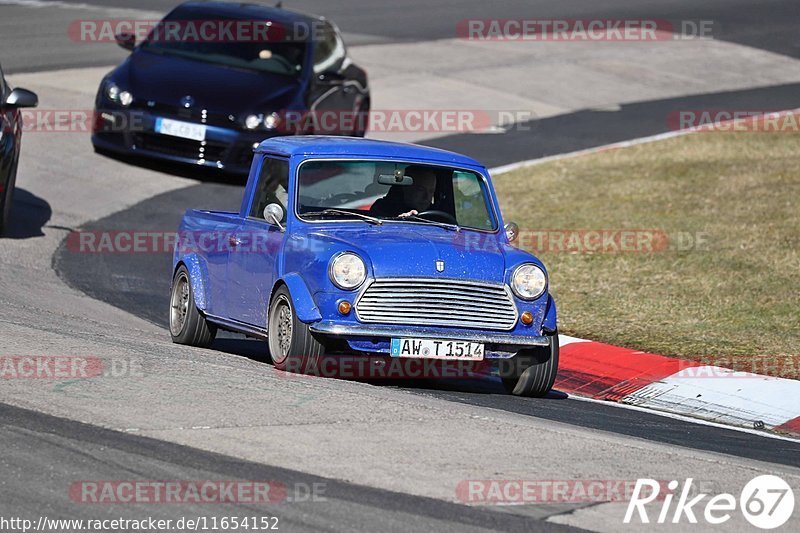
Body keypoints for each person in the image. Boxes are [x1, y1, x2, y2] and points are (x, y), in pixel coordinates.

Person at [369, 166, 437, 218]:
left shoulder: (439, 213)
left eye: (431, 191)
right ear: (406, 188)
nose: (426, 197)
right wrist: (401, 220)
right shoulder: (383, 207)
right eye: (421, 190)